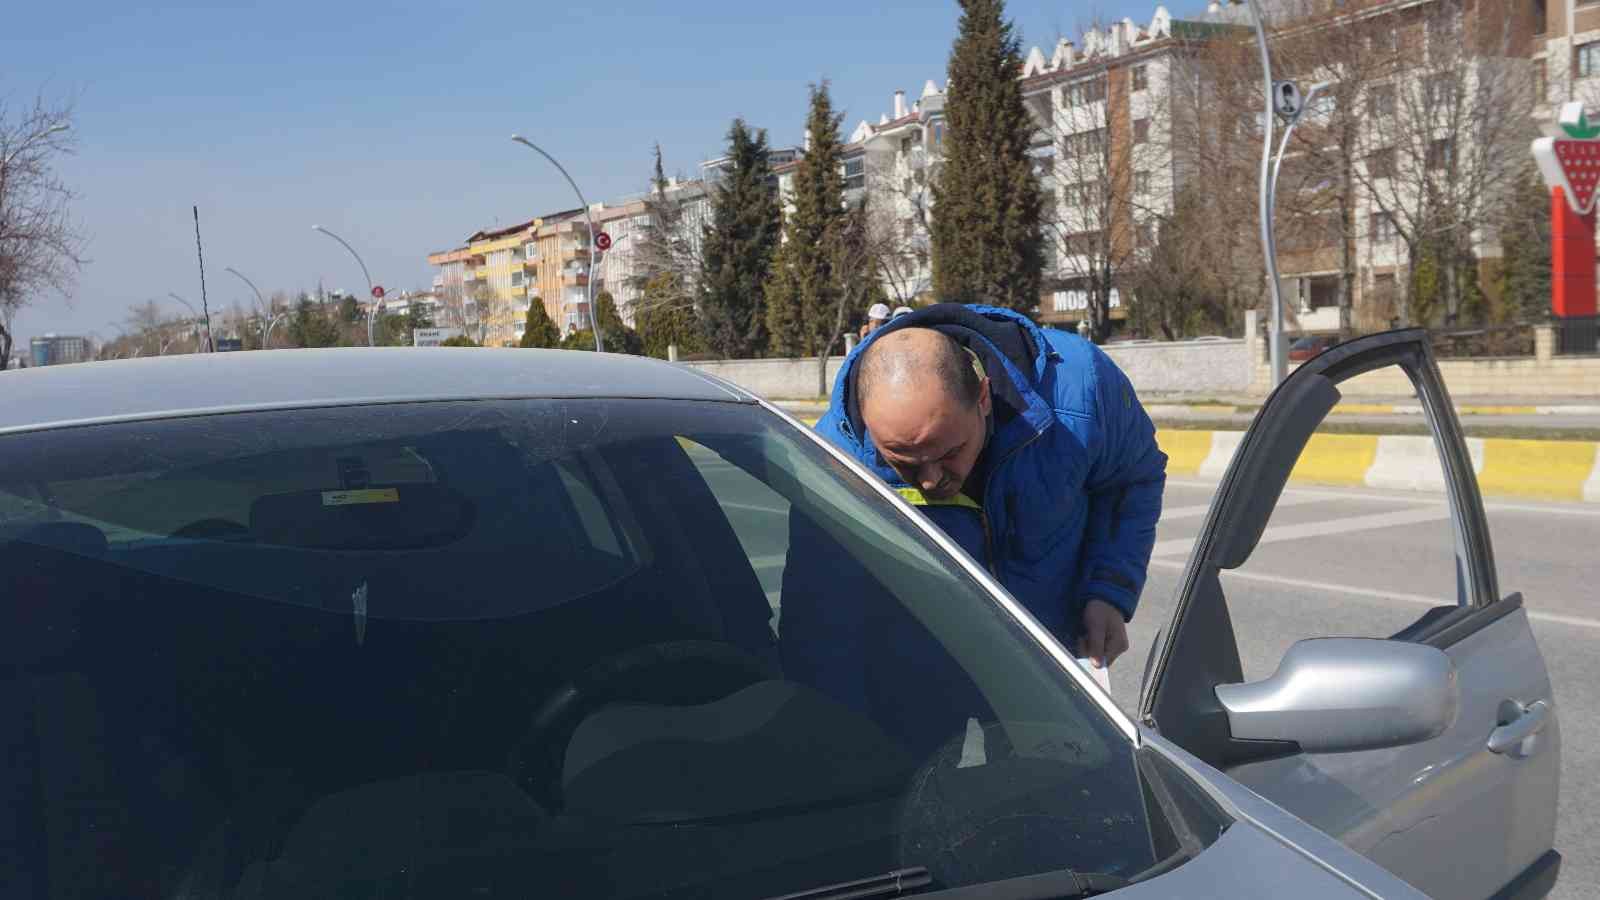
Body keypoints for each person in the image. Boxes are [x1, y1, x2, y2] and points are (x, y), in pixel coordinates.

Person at [781, 304, 1164, 737]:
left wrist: (1109, 590)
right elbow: (819, 608)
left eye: (947, 453)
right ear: (869, 427)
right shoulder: (834, 457)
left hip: (1047, 668)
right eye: (903, 462)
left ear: (983, 396)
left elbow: (1132, 480)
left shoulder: (1077, 389)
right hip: (915, 680)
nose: (929, 480)